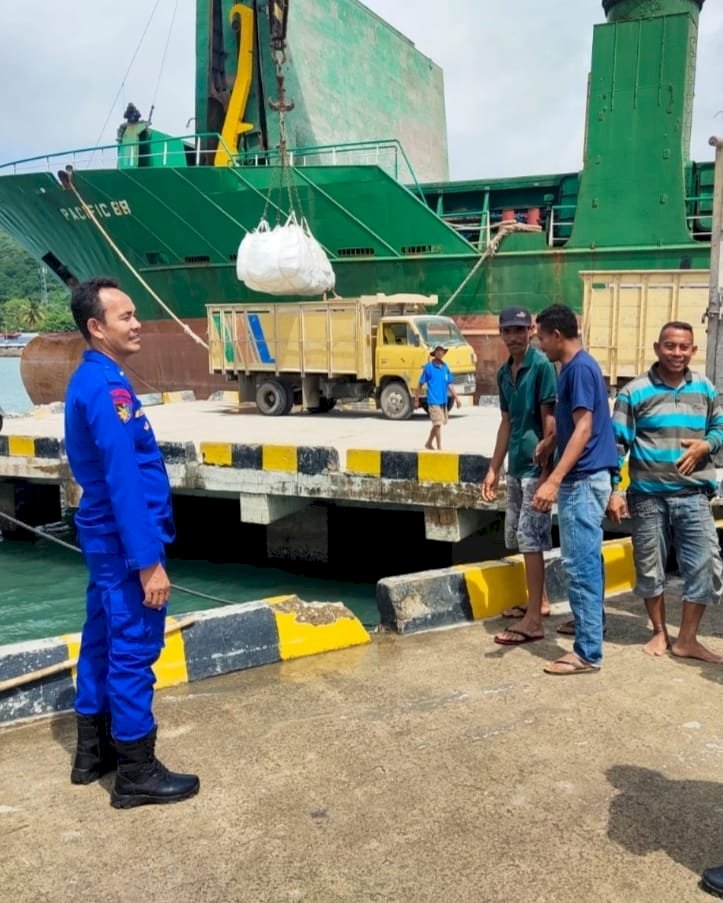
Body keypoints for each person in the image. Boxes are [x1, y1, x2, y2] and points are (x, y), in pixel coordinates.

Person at [64, 276, 199, 808]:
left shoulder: (92, 378)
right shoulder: (107, 388)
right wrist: (148, 564)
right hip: (125, 543)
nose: (137, 322)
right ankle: (136, 774)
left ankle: (91, 754)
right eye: (125, 317)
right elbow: (123, 477)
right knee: (134, 649)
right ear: (96, 328)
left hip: (104, 537)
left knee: (100, 638)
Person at [608, 321, 723, 663]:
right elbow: (616, 445)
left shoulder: (705, 388)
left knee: (706, 565)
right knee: (649, 567)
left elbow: (719, 426)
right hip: (647, 497)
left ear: (693, 350)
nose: (677, 353)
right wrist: (615, 490)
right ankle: (659, 631)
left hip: (693, 496)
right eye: (670, 346)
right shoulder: (634, 392)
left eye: (683, 347)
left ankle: (687, 638)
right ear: (657, 348)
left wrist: (706, 445)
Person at [532, 303, 618, 675]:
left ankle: (586, 652)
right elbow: (579, 423)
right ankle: (591, 627)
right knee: (588, 559)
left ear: (556, 335)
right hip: (586, 477)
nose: (539, 345)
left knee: (580, 564)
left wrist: (553, 480)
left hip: (582, 480)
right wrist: (552, 442)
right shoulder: (574, 368)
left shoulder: (579, 368)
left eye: (540, 337)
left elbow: (584, 428)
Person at [480, 306, 557, 644]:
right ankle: (538, 602)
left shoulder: (541, 367)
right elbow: (507, 422)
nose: (512, 336)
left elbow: (550, 423)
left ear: (531, 331)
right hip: (515, 467)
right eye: (507, 330)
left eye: (519, 330)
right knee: (520, 538)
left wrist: (546, 474)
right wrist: (494, 468)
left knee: (531, 540)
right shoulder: (502, 373)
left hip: (535, 469)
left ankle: (534, 619)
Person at [414, 345, 461, 450]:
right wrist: (416, 400)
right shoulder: (428, 368)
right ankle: (440, 448)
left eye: (442, 351)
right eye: (438, 351)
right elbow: (420, 384)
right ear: (434, 353)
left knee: (437, 424)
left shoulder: (445, 367)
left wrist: (456, 398)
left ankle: (428, 443)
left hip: (443, 401)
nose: (440, 353)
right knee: (438, 424)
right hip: (433, 400)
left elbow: (449, 384)